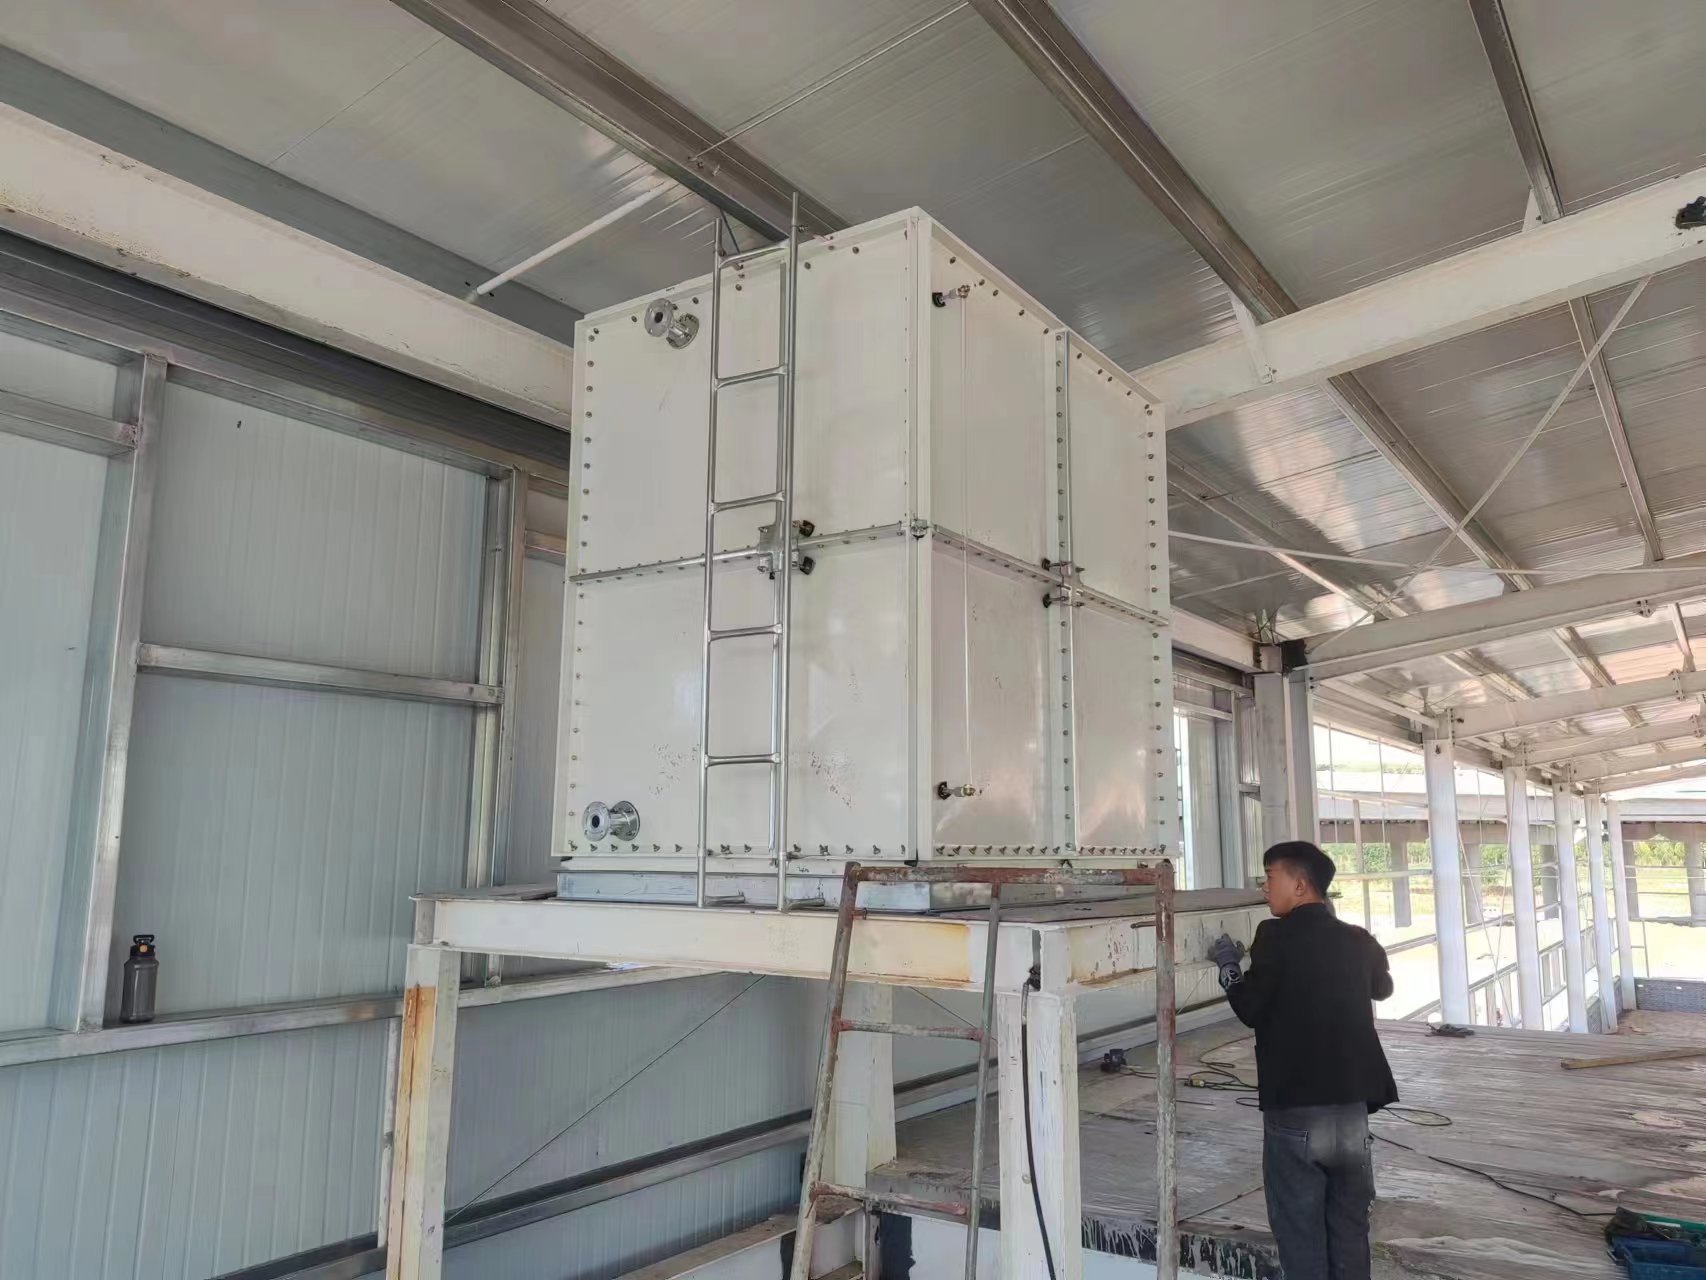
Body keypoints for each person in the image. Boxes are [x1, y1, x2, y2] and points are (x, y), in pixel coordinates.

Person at [1210, 840, 1397, 1280]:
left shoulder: (1274, 936)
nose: (1264, 887)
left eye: (1269, 877)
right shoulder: (1357, 938)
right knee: (1349, 1231)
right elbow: (1383, 988)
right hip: (1352, 1116)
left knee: (1301, 1237)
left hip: (1296, 1115)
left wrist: (1228, 966)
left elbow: (1250, 1008)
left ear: (1299, 885)